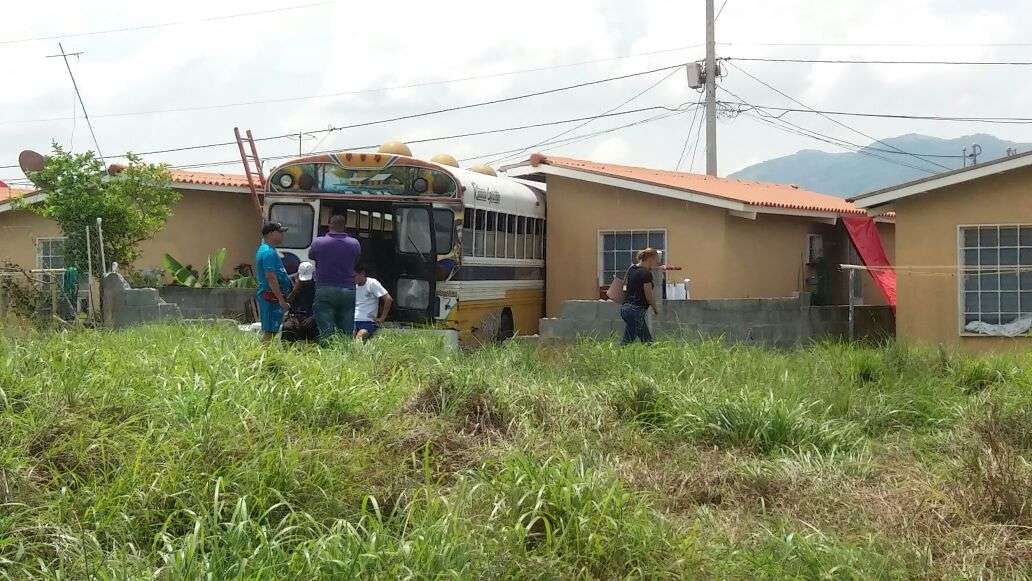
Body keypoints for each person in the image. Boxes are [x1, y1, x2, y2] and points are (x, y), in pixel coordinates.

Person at [309, 214, 361, 342]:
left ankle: (328, 353)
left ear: (329, 225)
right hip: (348, 288)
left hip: (325, 287)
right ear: (345, 227)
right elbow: (356, 259)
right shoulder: (354, 243)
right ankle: (344, 352)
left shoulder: (318, 242)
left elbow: (311, 256)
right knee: (347, 326)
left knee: (326, 327)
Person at [255, 222, 293, 341]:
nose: (282, 235)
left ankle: (265, 356)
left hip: (273, 297)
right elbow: (270, 277)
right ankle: (263, 357)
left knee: (272, 331)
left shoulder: (268, 250)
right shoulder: (268, 252)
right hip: (271, 298)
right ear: (271, 233)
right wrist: (281, 300)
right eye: (280, 232)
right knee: (270, 332)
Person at [620, 248, 660, 345]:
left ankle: (618, 356)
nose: (656, 263)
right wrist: (655, 309)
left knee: (630, 339)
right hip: (636, 311)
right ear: (650, 259)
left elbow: (624, 285)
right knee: (645, 341)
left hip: (625, 309)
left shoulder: (632, 269)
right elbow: (649, 297)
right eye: (656, 260)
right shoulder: (646, 274)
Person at [353, 263, 393, 342]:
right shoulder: (352, 285)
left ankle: (358, 353)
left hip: (368, 320)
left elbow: (388, 299)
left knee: (360, 335)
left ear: (362, 273)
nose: (353, 279)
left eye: (355, 276)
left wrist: (382, 318)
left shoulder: (372, 283)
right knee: (351, 335)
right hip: (353, 319)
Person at [282, 261, 318, 342]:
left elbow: (319, 303)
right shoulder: (290, 281)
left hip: (309, 315)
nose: (305, 282)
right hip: (294, 315)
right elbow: (286, 302)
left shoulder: (316, 283)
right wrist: (295, 290)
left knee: (311, 325)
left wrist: (313, 316)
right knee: (288, 327)